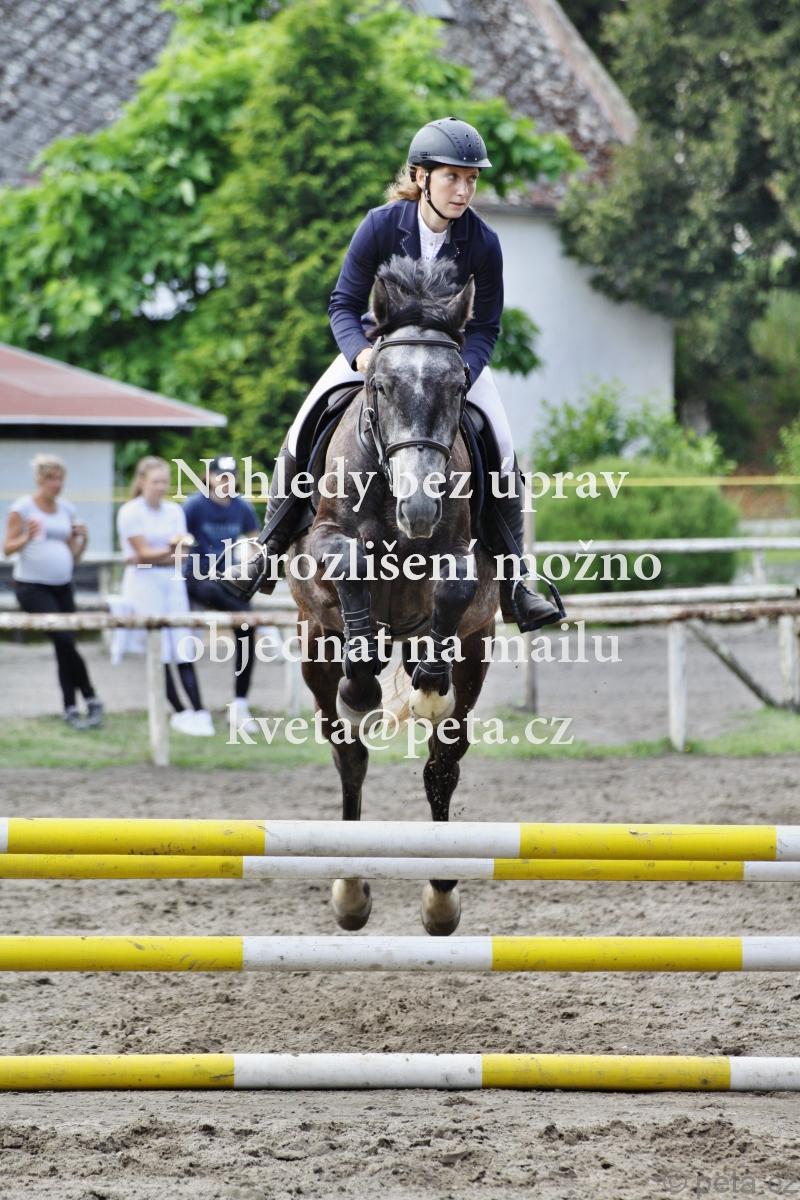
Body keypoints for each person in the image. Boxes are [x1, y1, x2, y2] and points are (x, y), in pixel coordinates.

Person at [222, 116, 562, 632]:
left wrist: (463, 371)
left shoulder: (483, 241)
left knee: (503, 445)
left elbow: (486, 326)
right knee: (303, 423)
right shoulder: (381, 225)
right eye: (453, 177)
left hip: (449, 363)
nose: (464, 190)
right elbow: (342, 304)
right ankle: (266, 550)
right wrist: (360, 355)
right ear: (422, 176)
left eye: (472, 179)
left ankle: (516, 583)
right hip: (377, 353)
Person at [3, 453, 103, 729]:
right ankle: (91, 697)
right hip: (32, 587)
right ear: (39, 480)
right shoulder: (22, 509)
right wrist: (27, 536)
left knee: (64, 646)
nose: (56, 484)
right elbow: (7, 548)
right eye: (50, 478)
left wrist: (84, 539)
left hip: (63, 586)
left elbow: (74, 556)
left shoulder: (67, 510)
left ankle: (71, 707)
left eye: (59, 479)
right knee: (65, 640)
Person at [117, 456, 213, 737]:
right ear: (142, 482)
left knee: (182, 646)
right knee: (158, 649)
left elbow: (179, 553)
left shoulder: (174, 511)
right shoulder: (130, 512)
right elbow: (144, 553)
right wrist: (165, 551)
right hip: (143, 585)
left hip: (171, 581)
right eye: (156, 482)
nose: (161, 487)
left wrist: (157, 555)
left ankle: (198, 709)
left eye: (164, 482)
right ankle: (178, 710)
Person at [183, 455, 260, 731]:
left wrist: (252, 565)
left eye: (230, 476)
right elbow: (178, 537)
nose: (226, 481)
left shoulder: (242, 506)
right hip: (198, 576)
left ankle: (240, 702)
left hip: (227, 578)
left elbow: (255, 541)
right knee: (243, 615)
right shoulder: (194, 505)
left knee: (247, 630)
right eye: (221, 476)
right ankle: (192, 707)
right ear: (209, 477)